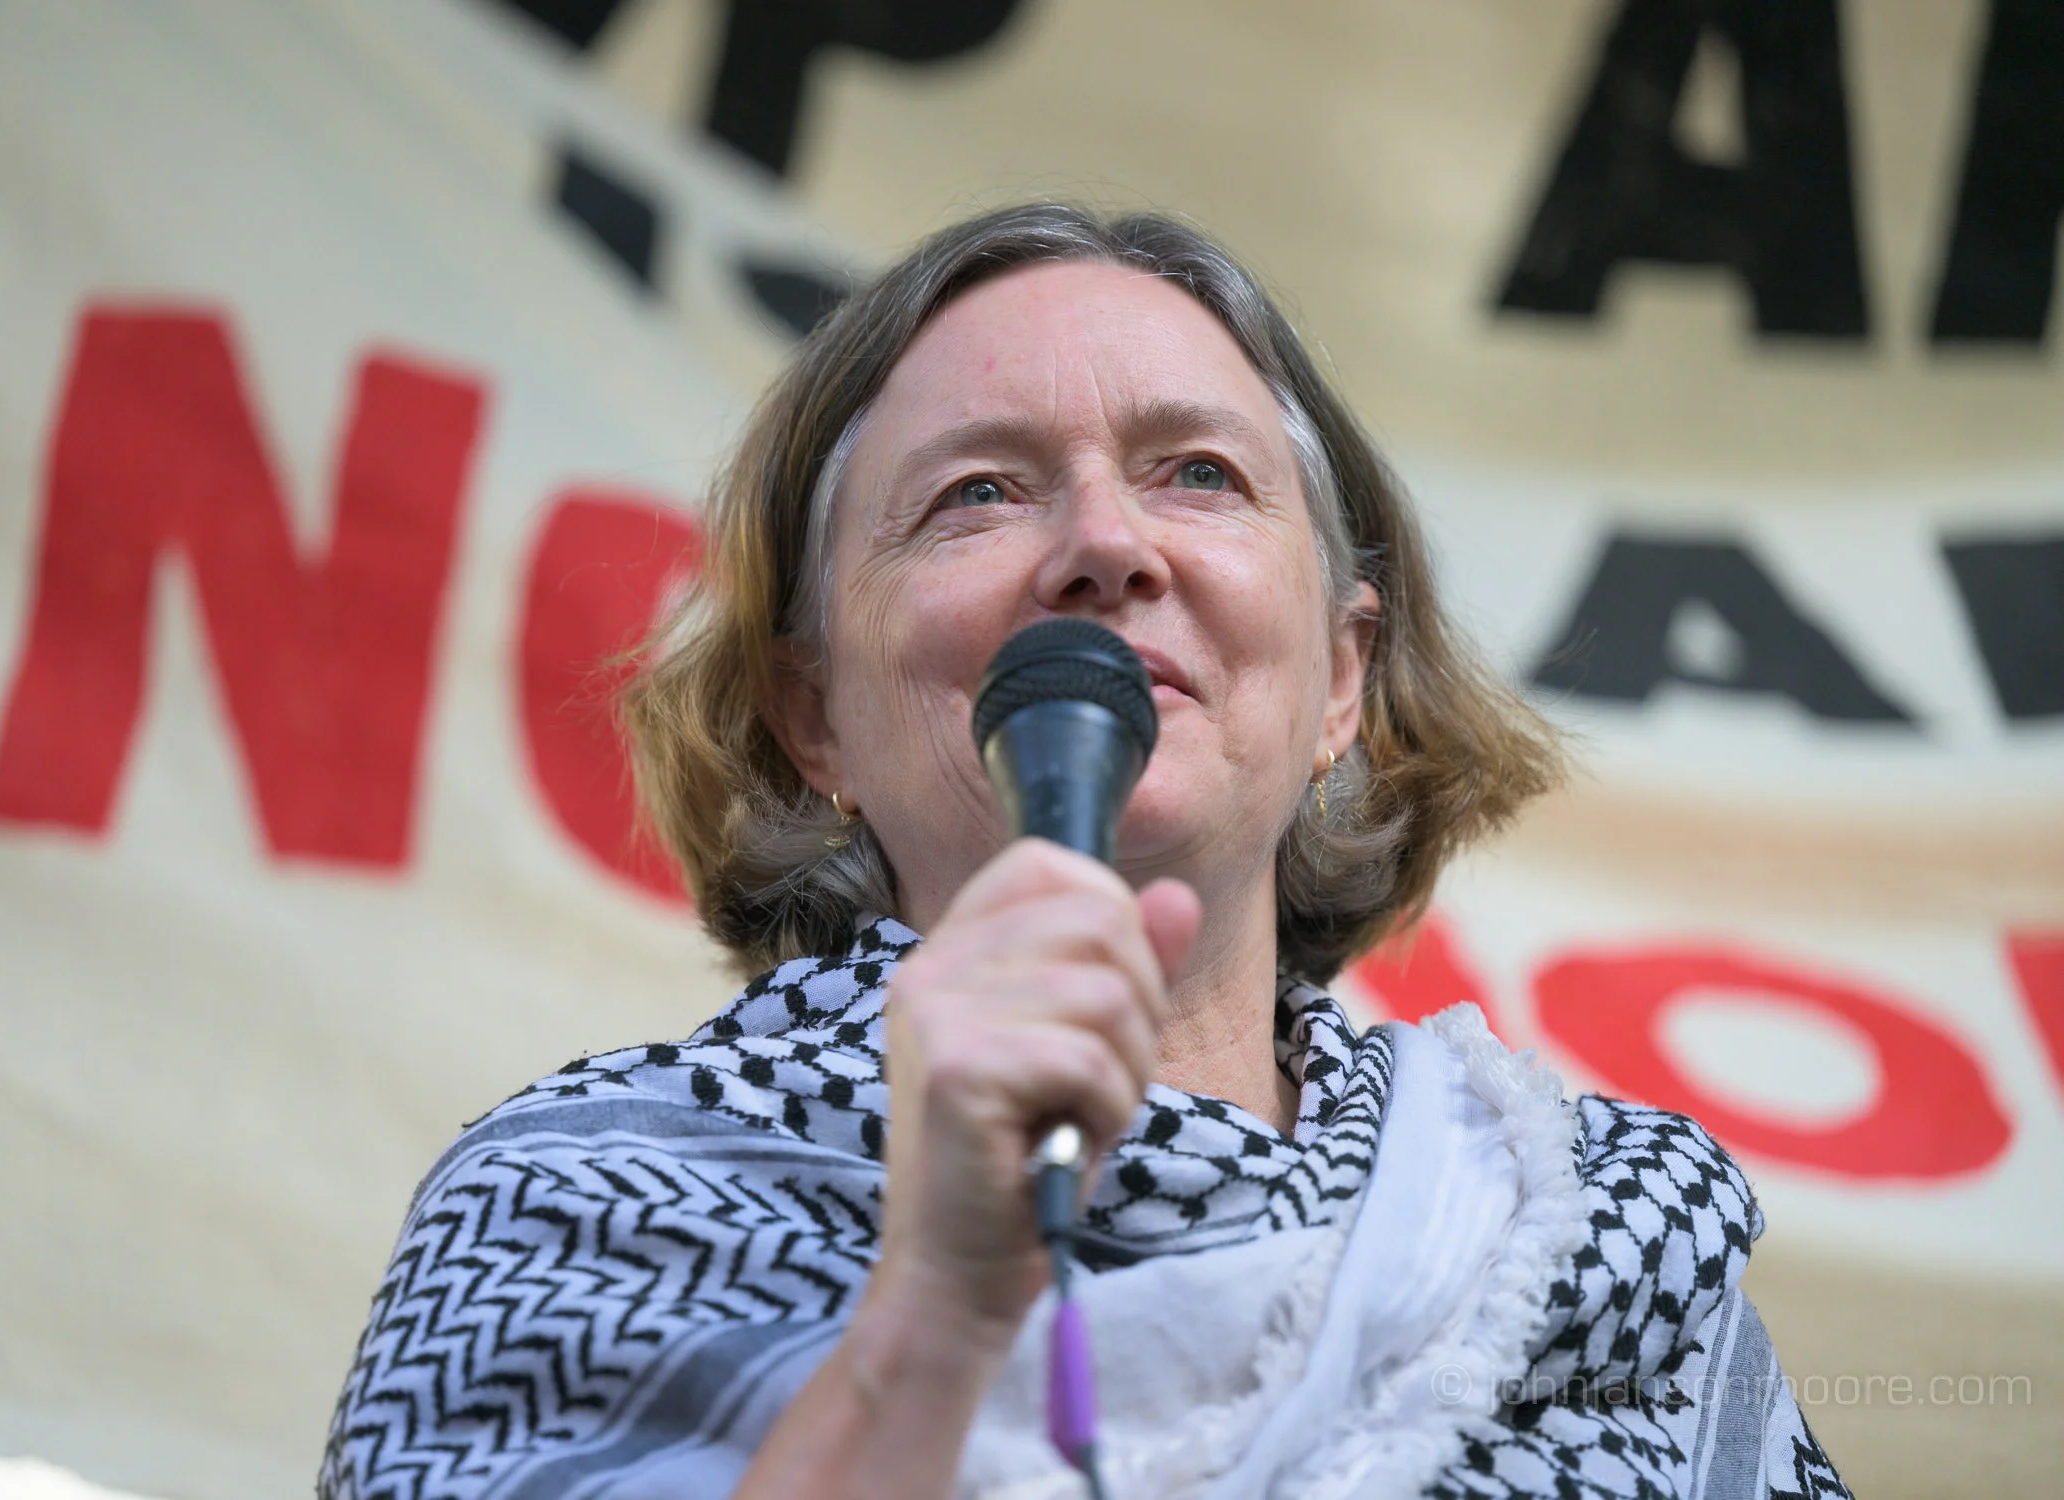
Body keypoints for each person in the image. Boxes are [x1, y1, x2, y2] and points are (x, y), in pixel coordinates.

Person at [318, 204, 1850, 1500]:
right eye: (977, 493)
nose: (1109, 546)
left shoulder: (1591, 1253)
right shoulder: (577, 1215)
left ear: (1338, 680)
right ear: (813, 717)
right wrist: (932, 1313)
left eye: (1198, 473)